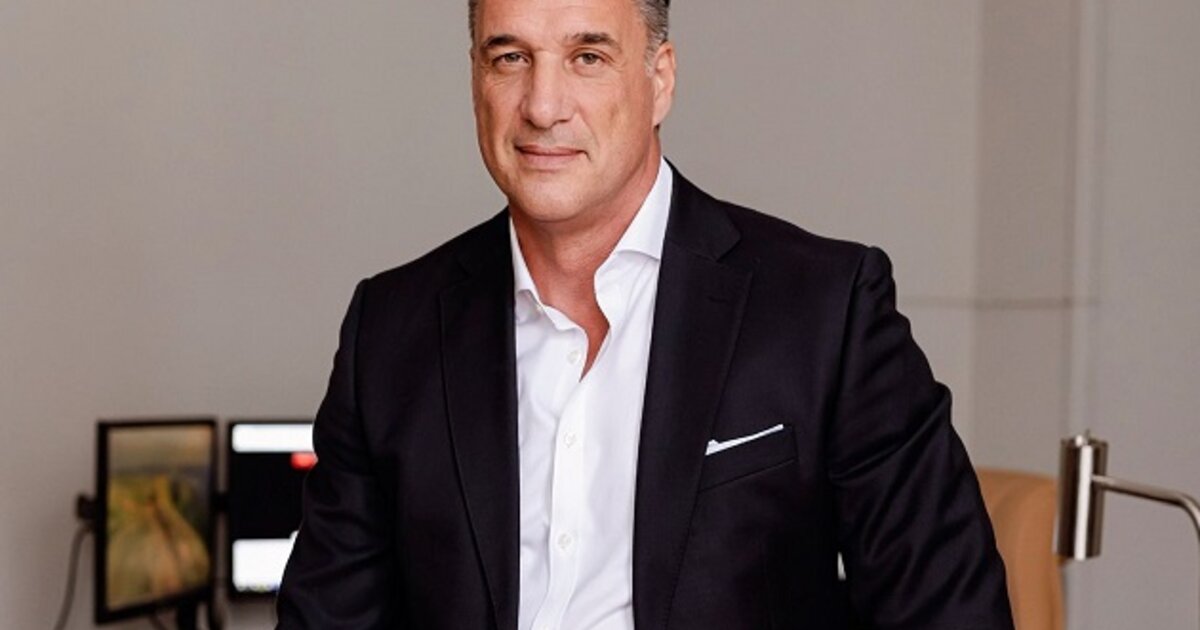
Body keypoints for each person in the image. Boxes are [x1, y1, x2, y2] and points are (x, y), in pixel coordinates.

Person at [276, 0, 1015, 628]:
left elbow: (948, 611)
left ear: (659, 80)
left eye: (588, 58)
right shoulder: (390, 332)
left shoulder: (824, 310)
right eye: (510, 58)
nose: (542, 105)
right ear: (476, 78)